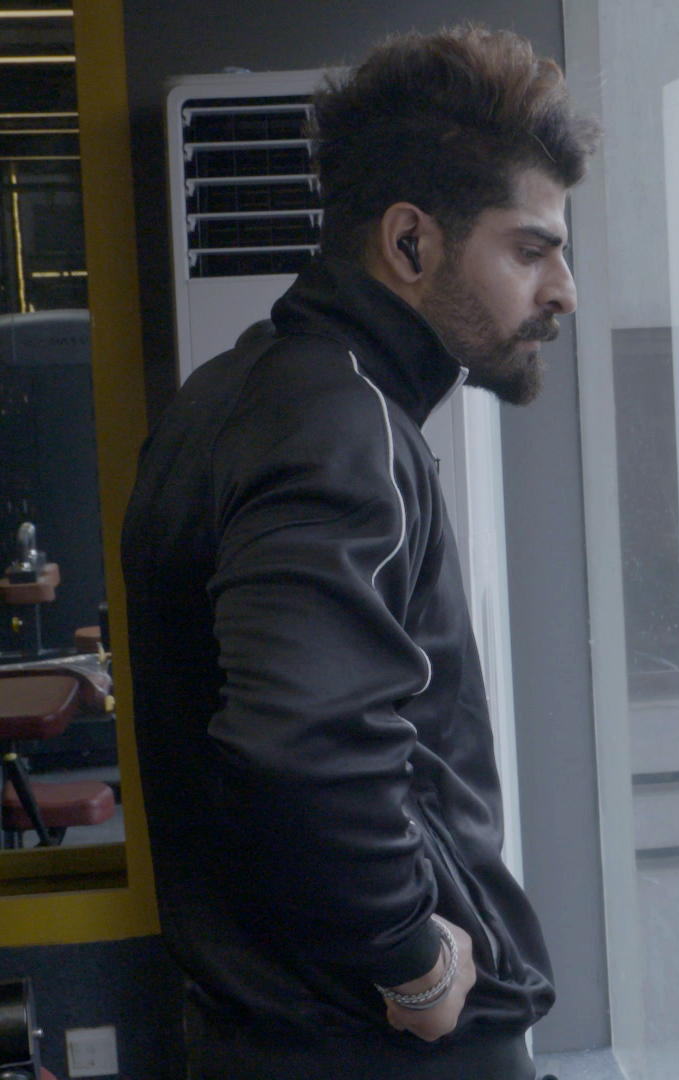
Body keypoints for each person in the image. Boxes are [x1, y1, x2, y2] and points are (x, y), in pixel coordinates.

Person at [120, 26, 597, 1079]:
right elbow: (300, 739)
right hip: (372, 1049)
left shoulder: (229, 397)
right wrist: (411, 960)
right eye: (531, 248)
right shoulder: (338, 426)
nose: (563, 288)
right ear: (412, 243)